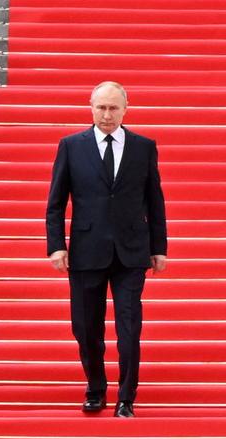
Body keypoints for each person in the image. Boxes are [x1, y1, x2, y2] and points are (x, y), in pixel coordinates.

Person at [45, 81, 168, 418]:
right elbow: (56, 202)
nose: (107, 114)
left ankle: (126, 397)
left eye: (114, 108)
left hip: (131, 251)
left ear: (126, 109)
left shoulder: (143, 147)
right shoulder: (71, 146)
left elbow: (154, 200)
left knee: (130, 327)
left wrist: (159, 247)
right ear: (91, 107)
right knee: (85, 326)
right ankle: (96, 389)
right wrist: (56, 246)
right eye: (101, 107)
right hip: (86, 250)